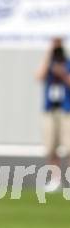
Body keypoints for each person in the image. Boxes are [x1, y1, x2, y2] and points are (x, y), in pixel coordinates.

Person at [36, 38, 70, 191]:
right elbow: (39, 76)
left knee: (68, 147)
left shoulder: (67, 64)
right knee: (51, 146)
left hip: (66, 110)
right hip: (50, 110)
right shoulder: (49, 64)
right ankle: (55, 180)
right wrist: (49, 53)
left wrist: (63, 74)